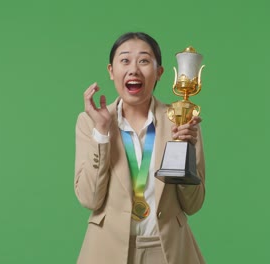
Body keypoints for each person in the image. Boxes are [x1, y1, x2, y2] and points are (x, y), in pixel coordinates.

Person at [74, 32, 206, 264]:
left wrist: (185, 151)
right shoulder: (90, 123)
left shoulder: (182, 121)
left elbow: (192, 205)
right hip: (107, 251)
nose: (134, 69)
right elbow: (90, 199)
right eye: (125, 60)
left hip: (168, 251)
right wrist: (102, 133)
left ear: (159, 72)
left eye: (144, 60)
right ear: (111, 71)